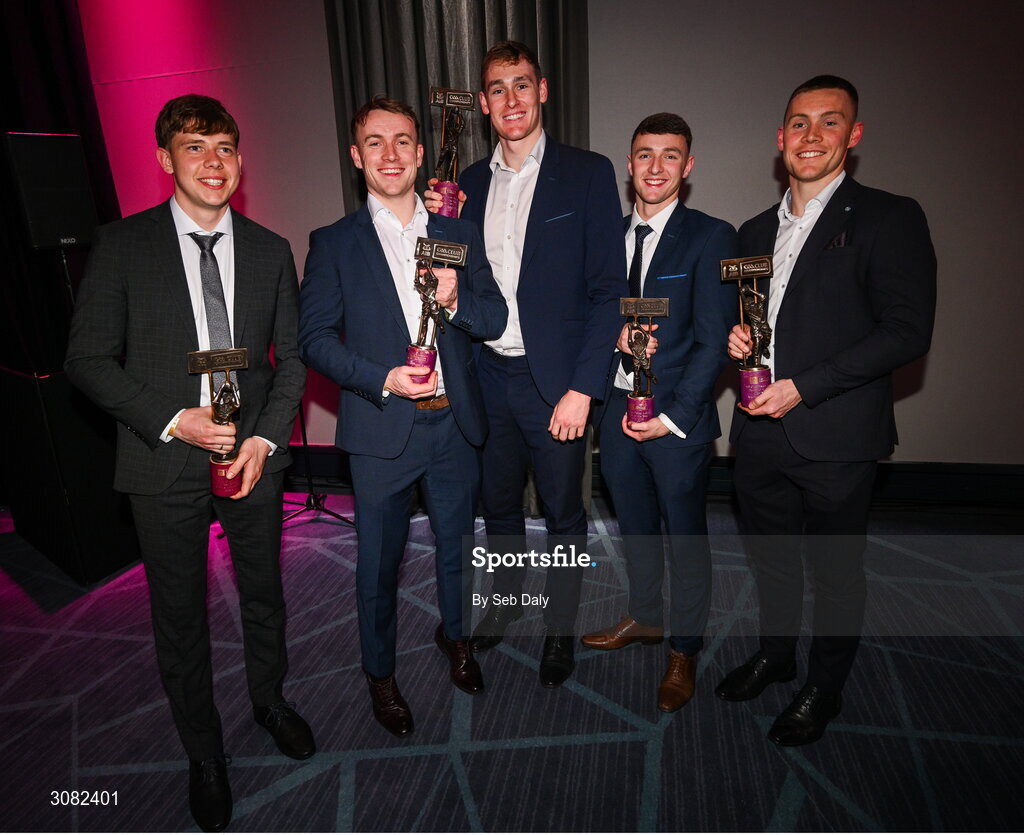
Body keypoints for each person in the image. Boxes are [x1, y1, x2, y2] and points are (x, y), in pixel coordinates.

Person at [65, 94, 312, 832]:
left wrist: (264, 441)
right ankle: (204, 751)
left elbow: (292, 362)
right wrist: (175, 420)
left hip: (250, 456)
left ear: (242, 160)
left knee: (265, 592)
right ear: (164, 158)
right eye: (196, 146)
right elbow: (85, 359)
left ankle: (269, 698)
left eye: (226, 147)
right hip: (162, 459)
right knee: (180, 619)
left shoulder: (270, 249)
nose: (214, 162)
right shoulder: (123, 246)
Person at [715, 76, 936, 746]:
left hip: (836, 435)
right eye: (799, 124)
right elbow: (765, 319)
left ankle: (825, 684)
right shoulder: (754, 229)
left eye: (828, 123)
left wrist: (805, 386)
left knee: (837, 572)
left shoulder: (889, 217)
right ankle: (777, 654)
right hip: (757, 432)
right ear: (780, 139)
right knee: (773, 560)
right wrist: (740, 338)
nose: (811, 137)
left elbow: (906, 332)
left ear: (853, 135)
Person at [298, 96, 506, 738]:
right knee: (378, 565)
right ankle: (380, 674)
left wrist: (457, 301)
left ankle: (458, 639)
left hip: (453, 426)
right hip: (380, 431)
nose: (391, 154)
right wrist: (380, 378)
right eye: (376, 143)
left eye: (403, 142)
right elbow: (315, 338)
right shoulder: (333, 244)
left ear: (421, 154)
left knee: (456, 549)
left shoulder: (458, 234)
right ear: (357, 157)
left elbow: (494, 319)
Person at [427, 41, 627, 687]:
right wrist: (437, 217)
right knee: (500, 508)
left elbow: (607, 292)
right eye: (497, 89)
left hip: (556, 385)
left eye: (522, 85)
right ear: (482, 104)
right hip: (486, 375)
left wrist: (582, 389)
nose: (510, 99)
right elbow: (448, 275)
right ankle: (509, 603)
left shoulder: (587, 172)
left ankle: (560, 629)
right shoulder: (469, 185)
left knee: (565, 513)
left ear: (542, 90)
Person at [580, 113, 736, 712]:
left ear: (687, 167)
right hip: (618, 411)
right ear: (629, 163)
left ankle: (685, 647)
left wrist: (671, 416)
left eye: (670, 156)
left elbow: (712, 337)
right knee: (635, 528)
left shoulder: (710, 235)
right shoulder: (608, 237)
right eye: (644, 154)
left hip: (677, 422)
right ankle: (644, 616)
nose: (655, 167)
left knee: (686, 540)